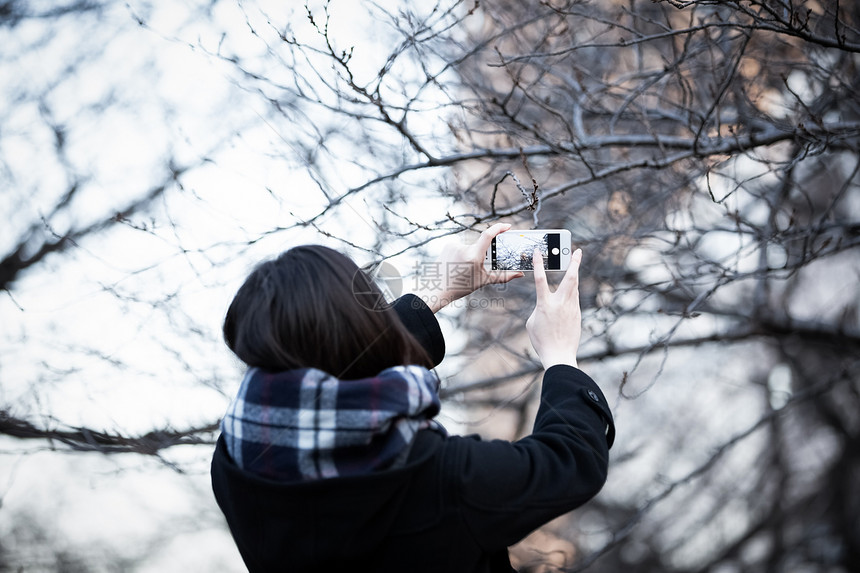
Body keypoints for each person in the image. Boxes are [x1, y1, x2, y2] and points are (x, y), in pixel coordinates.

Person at [210, 223, 615, 573]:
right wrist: (561, 357)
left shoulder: (236, 463)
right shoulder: (436, 478)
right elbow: (569, 462)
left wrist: (438, 292)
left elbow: (340, 368)